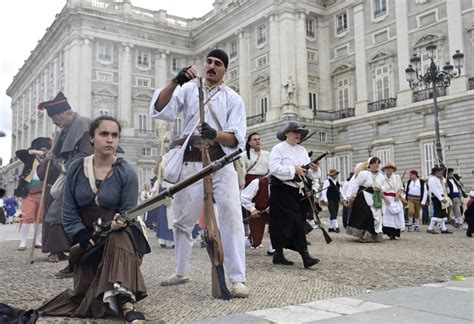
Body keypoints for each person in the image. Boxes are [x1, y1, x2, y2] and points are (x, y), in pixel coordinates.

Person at [149, 49, 248, 297]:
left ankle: (237, 279)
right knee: (182, 221)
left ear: (225, 70)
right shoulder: (189, 90)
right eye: (209, 62)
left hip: (220, 164)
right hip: (191, 163)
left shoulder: (233, 98)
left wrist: (215, 135)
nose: (212, 66)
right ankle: (181, 271)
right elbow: (161, 109)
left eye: (218, 64)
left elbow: (237, 138)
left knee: (231, 219)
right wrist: (176, 81)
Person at [37, 116, 148, 322]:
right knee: (85, 295)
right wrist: (81, 234)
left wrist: (117, 223)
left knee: (119, 237)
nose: (109, 140)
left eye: (114, 135)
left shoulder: (127, 172)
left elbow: (129, 213)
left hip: (121, 236)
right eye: (104, 134)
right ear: (91, 138)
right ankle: (115, 294)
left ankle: (126, 302)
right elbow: (68, 210)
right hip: (88, 239)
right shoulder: (77, 168)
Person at [37, 92, 93, 270]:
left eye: (57, 120)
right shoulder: (66, 128)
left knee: (61, 210)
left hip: (84, 174)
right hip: (72, 174)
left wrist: (64, 165)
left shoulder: (83, 124)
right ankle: (65, 251)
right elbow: (61, 152)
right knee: (60, 208)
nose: (57, 124)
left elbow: (85, 153)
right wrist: (52, 158)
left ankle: (72, 253)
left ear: (63, 114)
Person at [268, 121, 320, 268]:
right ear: (286, 133)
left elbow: (307, 171)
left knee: (297, 220)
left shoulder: (302, 150)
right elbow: (274, 168)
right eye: (295, 131)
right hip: (281, 190)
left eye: (299, 132)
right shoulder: (277, 149)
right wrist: (293, 169)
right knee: (292, 221)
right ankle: (305, 255)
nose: (298, 134)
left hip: (298, 191)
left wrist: (313, 169)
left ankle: (278, 254)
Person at [13, 137, 52, 250]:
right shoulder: (29, 157)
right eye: (41, 149)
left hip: (43, 192)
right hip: (28, 192)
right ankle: (23, 242)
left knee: (40, 218)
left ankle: (37, 240)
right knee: (27, 217)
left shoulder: (49, 161)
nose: (43, 152)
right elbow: (19, 153)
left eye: (45, 150)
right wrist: (32, 151)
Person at [346, 157, 385, 243]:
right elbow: (356, 184)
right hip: (363, 197)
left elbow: (385, 186)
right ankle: (363, 235)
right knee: (366, 215)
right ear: (369, 164)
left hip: (375, 197)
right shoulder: (364, 174)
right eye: (374, 163)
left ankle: (373, 235)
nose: (376, 164)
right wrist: (353, 196)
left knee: (376, 216)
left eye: (377, 163)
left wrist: (380, 188)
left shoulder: (381, 175)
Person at [241, 132, 270, 244]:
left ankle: (273, 248)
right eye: (254, 139)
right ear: (249, 143)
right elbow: (242, 173)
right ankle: (251, 240)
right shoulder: (244, 155)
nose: (258, 141)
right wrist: (242, 188)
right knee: (254, 217)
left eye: (259, 139)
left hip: (265, 185)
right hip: (251, 186)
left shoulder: (267, 154)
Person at [241, 176, 274, 254]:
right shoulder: (258, 182)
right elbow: (243, 197)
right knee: (254, 241)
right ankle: (233, 244)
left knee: (279, 228)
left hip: (272, 212)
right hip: (257, 211)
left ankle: (273, 249)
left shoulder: (283, 185)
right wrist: (252, 209)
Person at [381, 163, 405, 240]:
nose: (389, 170)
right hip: (386, 198)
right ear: (384, 170)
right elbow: (379, 189)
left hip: (395, 198)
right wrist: (384, 198)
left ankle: (395, 233)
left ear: (393, 169)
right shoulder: (382, 178)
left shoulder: (397, 177)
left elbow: (401, 187)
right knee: (387, 216)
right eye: (387, 168)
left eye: (390, 168)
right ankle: (389, 232)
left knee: (397, 214)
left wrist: (398, 195)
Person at [427, 166, 453, 234]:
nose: (440, 173)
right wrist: (441, 199)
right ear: (434, 173)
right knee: (437, 212)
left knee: (443, 213)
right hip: (436, 197)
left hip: (443, 196)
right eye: (438, 171)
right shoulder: (432, 179)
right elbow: (435, 190)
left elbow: (447, 191)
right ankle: (430, 228)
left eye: (440, 171)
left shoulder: (443, 179)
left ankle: (443, 228)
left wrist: (446, 186)